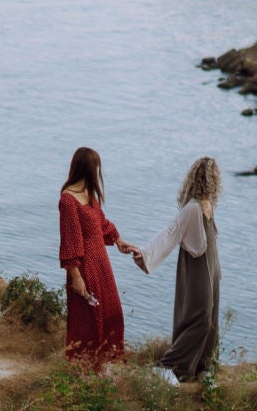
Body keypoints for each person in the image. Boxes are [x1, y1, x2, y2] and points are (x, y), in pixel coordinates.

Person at [57, 146, 145, 368]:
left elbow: (101, 223)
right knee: (88, 320)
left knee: (112, 313)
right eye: (96, 168)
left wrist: (118, 240)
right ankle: (85, 367)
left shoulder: (89, 194)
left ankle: (107, 363)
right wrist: (76, 277)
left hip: (101, 263)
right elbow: (70, 241)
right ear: (87, 169)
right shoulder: (68, 200)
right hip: (85, 266)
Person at [155, 156, 222, 382]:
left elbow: (212, 240)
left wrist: (218, 270)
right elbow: (169, 234)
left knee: (212, 319)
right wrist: (145, 254)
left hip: (211, 269)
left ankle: (201, 366)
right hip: (196, 268)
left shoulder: (208, 205)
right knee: (201, 316)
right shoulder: (192, 208)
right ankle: (169, 365)